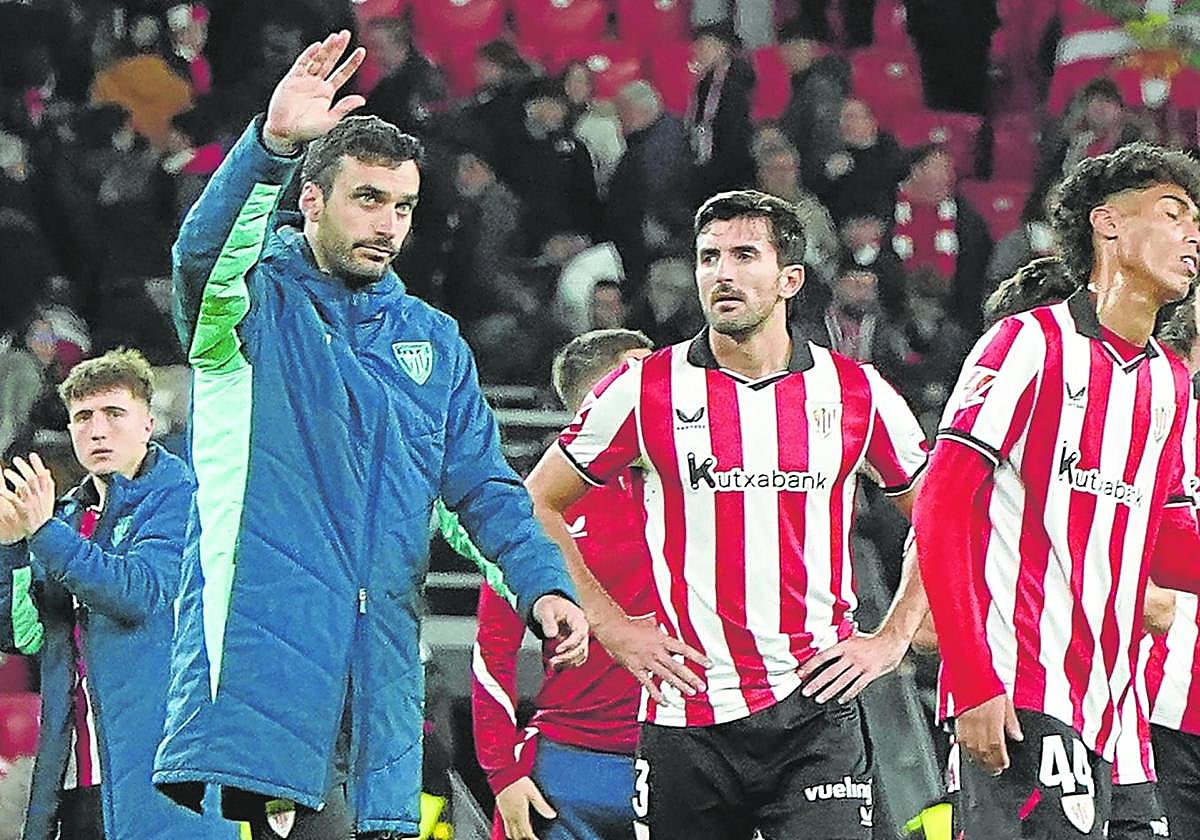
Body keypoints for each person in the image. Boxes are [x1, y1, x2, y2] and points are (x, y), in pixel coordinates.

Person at [151, 32, 587, 840]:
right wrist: (272, 147)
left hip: (382, 670)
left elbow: (481, 489)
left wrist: (543, 584)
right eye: (367, 199)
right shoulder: (245, 313)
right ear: (310, 200)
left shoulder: (433, 341)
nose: (388, 224)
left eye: (403, 206)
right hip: (270, 673)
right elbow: (201, 259)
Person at [525, 189, 930, 839]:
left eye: (745, 255)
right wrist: (615, 627)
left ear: (789, 279)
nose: (723, 272)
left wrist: (891, 639)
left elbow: (945, 519)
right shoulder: (643, 388)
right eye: (709, 257)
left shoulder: (856, 392)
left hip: (815, 713)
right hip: (687, 718)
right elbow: (537, 503)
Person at [914, 142, 1200, 839]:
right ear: (1108, 225)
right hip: (1021, 688)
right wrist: (975, 680)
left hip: (1115, 712)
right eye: (1173, 213)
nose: (1192, 234)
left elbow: (1162, 539)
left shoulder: (1167, 379)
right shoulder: (1029, 344)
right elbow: (940, 506)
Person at [0, 348, 236, 840]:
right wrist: (11, 549)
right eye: (83, 417)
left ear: (148, 424)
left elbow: (140, 593)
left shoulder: (181, 497)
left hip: (162, 777)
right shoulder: (65, 518)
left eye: (114, 414)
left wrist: (42, 533)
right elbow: (24, 635)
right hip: (76, 779)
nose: (98, 430)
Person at [473, 328, 655, 840]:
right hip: (566, 769)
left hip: (680, 755)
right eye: (641, 373)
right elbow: (492, 651)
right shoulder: (532, 507)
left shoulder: (696, 489)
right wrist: (502, 773)